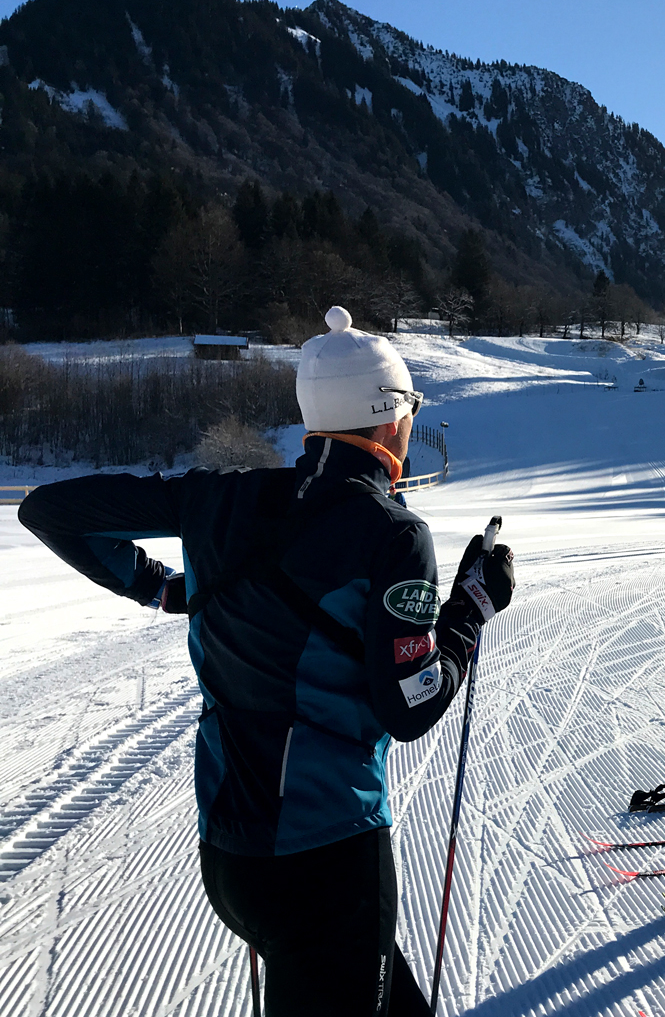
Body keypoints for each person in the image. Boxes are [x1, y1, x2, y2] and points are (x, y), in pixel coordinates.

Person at [18, 306, 515, 1015]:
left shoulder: (219, 495)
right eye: (409, 408)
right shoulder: (392, 533)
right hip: (328, 855)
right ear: (391, 421)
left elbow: (49, 511)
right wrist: (471, 609)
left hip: (230, 855)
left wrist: (159, 589)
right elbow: (411, 706)